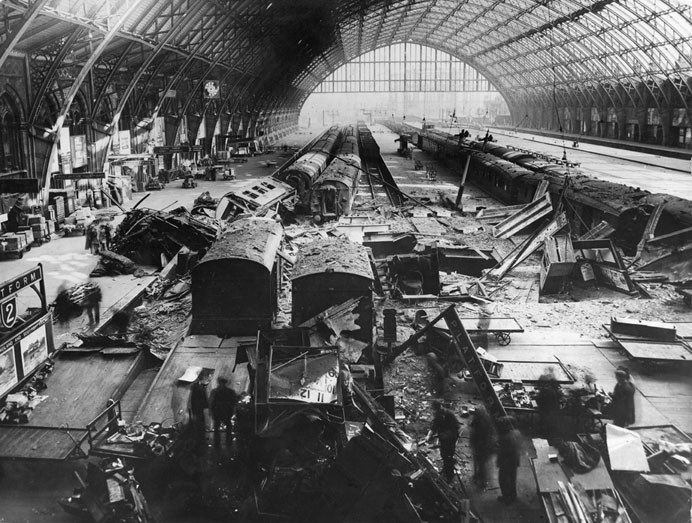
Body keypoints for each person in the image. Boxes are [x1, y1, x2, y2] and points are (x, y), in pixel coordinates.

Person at [425, 400, 460, 481]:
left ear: (438, 407)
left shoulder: (448, 414)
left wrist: (447, 434)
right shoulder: (438, 414)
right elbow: (434, 426)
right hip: (444, 439)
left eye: (434, 409)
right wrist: (428, 435)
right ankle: (446, 469)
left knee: (448, 457)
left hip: (450, 439)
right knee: (444, 455)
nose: (433, 411)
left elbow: (457, 426)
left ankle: (449, 476)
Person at [470, 406, 497, 489]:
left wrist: (476, 445)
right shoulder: (486, 419)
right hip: (482, 445)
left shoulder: (480, 422)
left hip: (482, 446)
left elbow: (477, 434)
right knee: (480, 463)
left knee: (481, 464)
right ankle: (478, 475)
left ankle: (483, 482)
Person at [496, 416, 521, 504]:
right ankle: (513, 495)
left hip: (506, 462)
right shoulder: (516, 433)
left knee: (504, 480)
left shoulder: (506, 437)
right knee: (512, 478)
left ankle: (507, 498)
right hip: (514, 460)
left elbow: (504, 450)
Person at [210, 377, 238, 448]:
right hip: (227, 412)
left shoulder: (215, 391)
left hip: (218, 412)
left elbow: (212, 402)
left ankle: (217, 443)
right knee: (228, 427)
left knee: (217, 427)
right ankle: (228, 442)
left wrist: (212, 411)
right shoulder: (230, 391)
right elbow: (234, 401)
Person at [536, 373, 561, 439]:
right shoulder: (552, 390)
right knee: (550, 426)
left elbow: (539, 401)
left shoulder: (544, 391)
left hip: (546, 411)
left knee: (545, 425)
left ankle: (545, 436)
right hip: (553, 411)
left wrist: (536, 396)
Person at [189, 379, 209, 451]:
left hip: (196, 410)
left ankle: (199, 440)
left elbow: (192, 400)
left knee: (198, 424)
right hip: (199, 409)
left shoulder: (195, 388)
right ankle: (201, 440)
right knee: (200, 424)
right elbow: (204, 399)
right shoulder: (201, 388)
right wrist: (206, 405)